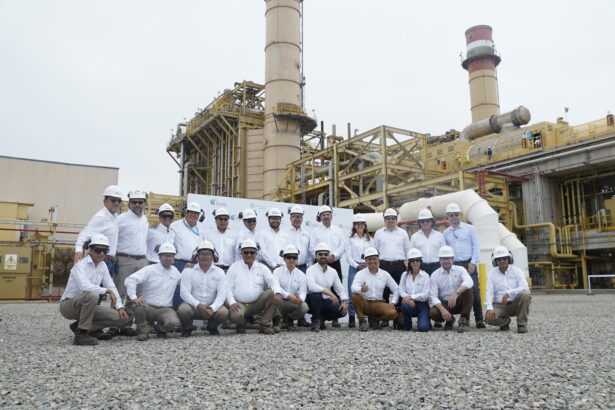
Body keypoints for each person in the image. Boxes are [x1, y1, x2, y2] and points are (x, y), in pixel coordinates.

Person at [60, 234, 132, 345]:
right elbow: (84, 286)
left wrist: (120, 307)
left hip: (88, 305)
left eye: (105, 250)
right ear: (90, 250)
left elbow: (111, 286)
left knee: (121, 318)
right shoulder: (80, 265)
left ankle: (82, 327)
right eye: (98, 250)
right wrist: (106, 291)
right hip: (69, 305)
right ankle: (81, 335)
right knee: (93, 294)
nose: (102, 253)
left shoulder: (102, 266)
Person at [124, 242, 182, 341]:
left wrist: (191, 269)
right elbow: (130, 279)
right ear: (159, 257)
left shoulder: (176, 272)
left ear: (173, 258)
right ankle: (143, 331)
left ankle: (158, 329)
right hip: (148, 307)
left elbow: (185, 285)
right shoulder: (150, 270)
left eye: (171, 256)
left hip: (165, 309)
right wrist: (134, 297)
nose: (168, 258)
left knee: (174, 324)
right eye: (165, 256)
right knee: (139, 305)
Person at [226, 239, 283, 335]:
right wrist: (232, 302)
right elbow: (227, 288)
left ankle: (264, 325)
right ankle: (241, 325)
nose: (249, 255)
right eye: (246, 252)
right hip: (240, 304)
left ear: (256, 253)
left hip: (257, 304)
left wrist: (277, 292)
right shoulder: (234, 267)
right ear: (241, 253)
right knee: (236, 316)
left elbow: (273, 281)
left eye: (252, 252)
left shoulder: (262, 267)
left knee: (272, 293)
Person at [443, 202, 484, 329]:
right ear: (448, 217)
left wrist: (473, 262)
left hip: (468, 263)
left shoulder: (469, 229)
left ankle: (479, 319)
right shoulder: (446, 233)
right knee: (456, 291)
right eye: (451, 215)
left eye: (456, 214)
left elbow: (476, 246)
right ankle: (454, 317)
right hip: (454, 265)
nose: (454, 217)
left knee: (474, 292)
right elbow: (445, 250)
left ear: (460, 215)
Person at [177, 240, 229, 337]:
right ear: (197, 256)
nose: (205, 257)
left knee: (224, 312)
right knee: (183, 310)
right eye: (202, 254)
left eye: (208, 254)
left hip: (211, 306)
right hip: (194, 306)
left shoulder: (220, 272)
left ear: (213, 256)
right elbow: (184, 293)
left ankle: (212, 327)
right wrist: (198, 305)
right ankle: (187, 328)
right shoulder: (188, 271)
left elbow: (222, 293)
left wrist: (213, 308)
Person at [309, 205, 347, 328]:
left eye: (328, 214)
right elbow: (311, 248)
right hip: (320, 261)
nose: (326, 217)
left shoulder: (338, 230)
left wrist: (334, 255)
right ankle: (320, 317)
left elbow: (342, 246)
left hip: (334, 261)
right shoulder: (315, 231)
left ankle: (335, 319)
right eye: (323, 215)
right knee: (318, 289)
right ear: (320, 217)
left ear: (331, 216)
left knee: (336, 287)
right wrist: (321, 257)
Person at [373, 208, 410, 326]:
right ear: (384, 220)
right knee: (383, 291)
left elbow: (407, 250)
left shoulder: (403, 233)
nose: (390, 220)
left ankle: (397, 318)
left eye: (393, 218)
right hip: (384, 265)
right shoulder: (378, 233)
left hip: (399, 265)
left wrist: (408, 266)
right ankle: (384, 317)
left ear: (396, 220)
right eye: (388, 218)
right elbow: (375, 251)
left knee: (399, 291)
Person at [74, 185, 122, 274]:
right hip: (100, 261)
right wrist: (78, 251)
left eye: (119, 200)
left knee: (107, 287)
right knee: (97, 288)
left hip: (110, 262)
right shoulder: (101, 217)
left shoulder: (115, 217)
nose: (116, 203)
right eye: (113, 200)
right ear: (105, 201)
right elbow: (84, 234)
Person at [350, 247, 399, 332]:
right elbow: (353, 288)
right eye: (369, 259)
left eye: (374, 259)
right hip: (364, 302)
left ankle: (375, 319)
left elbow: (396, 288)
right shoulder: (360, 274)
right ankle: (362, 320)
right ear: (365, 261)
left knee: (392, 313)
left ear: (378, 260)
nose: (372, 261)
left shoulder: (384, 274)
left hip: (378, 303)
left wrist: (393, 302)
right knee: (355, 296)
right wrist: (361, 289)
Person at [485, 246, 531, 333]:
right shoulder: (492, 274)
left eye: (504, 258)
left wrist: (509, 293)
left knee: (525, 295)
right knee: (488, 318)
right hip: (500, 305)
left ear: (509, 259)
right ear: (495, 261)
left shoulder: (517, 271)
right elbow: (489, 292)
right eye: (499, 259)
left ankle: (521, 324)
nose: (502, 261)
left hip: (516, 304)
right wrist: (489, 308)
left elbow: (525, 287)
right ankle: (505, 322)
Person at [114, 188, 150, 301]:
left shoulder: (145, 219)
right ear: (129, 203)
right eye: (134, 202)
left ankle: (129, 318)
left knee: (136, 293)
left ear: (145, 203)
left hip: (142, 261)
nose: (137, 204)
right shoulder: (120, 219)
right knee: (120, 292)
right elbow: (111, 237)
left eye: (140, 202)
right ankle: (115, 317)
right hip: (124, 260)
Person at [305, 242, 349, 332]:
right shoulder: (310, 269)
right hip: (311, 302)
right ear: (315, 256)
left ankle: (322, 318)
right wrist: (329, 293)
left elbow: (340, 288)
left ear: (329, 255)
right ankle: (316, 321)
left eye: (326, 254)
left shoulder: (333, 271)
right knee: (316, 295)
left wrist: (344, 301)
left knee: (341, 311)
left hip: (325, 301)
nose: (323, 256)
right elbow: (311, 286)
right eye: (320, 254)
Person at [429, 245, 474, 332]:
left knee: (469, 291)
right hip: (445, 304)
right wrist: (443, 310)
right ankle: (449, 319)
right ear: (440, 260)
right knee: (432, 313)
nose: (446, 261)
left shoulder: (460, 269)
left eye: (448, 258)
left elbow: (469, 281)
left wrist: (456, 293)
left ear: (453, 259)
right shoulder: (434, 275)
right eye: (443, 258)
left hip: (459, 301)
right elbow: (433, 296)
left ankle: (464, 320)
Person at [345, 214, 373, 328]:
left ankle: (369, 316)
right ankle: (352, 317)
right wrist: (356, 266)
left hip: (368, 267)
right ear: (354, 226)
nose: (360, 226)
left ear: (364, 225)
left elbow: (373, 253)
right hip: (354, 267)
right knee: (353, 293)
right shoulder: (350, 239)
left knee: (368, 292)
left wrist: (368, 264)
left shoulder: (370, 239)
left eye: (362, 224)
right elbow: (348, 256)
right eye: (357, 224)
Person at [272, 244, 309, 331]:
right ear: (284, 259)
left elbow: (303, 291)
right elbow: (275, 286)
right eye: (289, 257)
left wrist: (300, 299)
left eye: (294, 257)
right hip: (280, 301)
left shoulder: (302, 275)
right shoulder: (277, 271)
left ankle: (288, 321)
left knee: (304, 306)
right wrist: (288, 296)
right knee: (272, 296)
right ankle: (277, 322)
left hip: (293, 302)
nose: (291, 259)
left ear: (297, 259)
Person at [399, 248, 431, 332]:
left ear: (421, 262)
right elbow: (401, 290)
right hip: (409, 303)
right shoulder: (404, 275)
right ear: (409, 262)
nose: (415, 262)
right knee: (405, 306)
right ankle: (407, 324)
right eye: (412, 260)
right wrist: (408, 299)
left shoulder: (425, 276)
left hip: (422, 305)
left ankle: (425, 320)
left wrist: (410, 297)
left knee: (423, 328)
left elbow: (426, 294)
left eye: (417, 260)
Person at [170, 201, 205, 272]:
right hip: (178, 264)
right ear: (186, 213)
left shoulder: (202, 230)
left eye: (196, 213)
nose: (193, 215)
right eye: (191, 212)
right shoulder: (175, 225)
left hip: (195, 265)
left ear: (199, 216)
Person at [409, 209, 446, 276]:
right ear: (419, 223)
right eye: (422, 221)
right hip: (421, 267)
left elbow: (444, 253)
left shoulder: (439, 235)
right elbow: (411, 255)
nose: (425, 223)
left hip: (437, 267)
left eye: (427, 221)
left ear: (432, 222)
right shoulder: (414, 237)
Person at [205, 208, 238, 272]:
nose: (223, 221)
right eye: (220, 219)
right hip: (213, 269)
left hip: (230, 269)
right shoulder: (208, 234)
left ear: (228, 221)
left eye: (225, 219)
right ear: (215, 220)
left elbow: (236, 253)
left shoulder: (234, 235)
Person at [284, 205, 312, 273]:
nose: (297, 219)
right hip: (288, 268)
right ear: (290, 218)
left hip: (303, 268)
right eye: (294, 217)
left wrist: (311, 268)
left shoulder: (307, 234)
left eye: (299, 217)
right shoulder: (283, 233)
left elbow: (309, 253)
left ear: (302, 219)